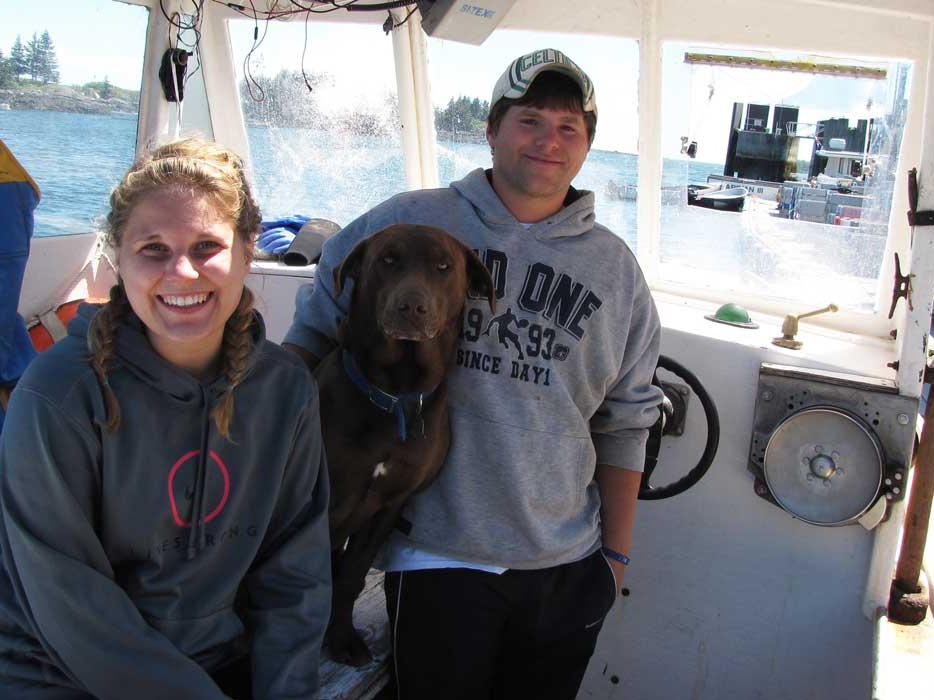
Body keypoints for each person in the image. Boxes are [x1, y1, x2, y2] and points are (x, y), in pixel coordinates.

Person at [283, 49, 663, 699]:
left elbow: (626, 421)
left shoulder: (616, 269)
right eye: (530, 120)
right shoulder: (405, 220)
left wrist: (614, 561)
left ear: (588, 146)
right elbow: (311, 336)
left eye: (569, 128)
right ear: (491, 129)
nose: (548, 140)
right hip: (438, 559)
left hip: (566, 563)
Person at [0, 138, 332, 699]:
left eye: (207, 245)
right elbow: (67, 599)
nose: (182, 272)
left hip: (214, 665)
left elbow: (295, 575)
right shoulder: (61, 392)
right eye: (154, 248)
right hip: (56, 672)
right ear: (118, 255)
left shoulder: (285, 391)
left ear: (246, 250)